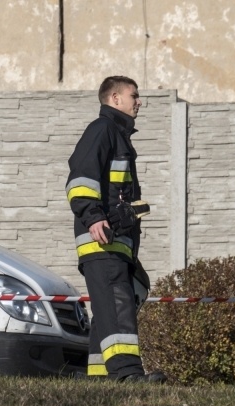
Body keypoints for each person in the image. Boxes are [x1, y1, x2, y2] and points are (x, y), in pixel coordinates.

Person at [65, 76, 166, 383]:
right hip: (102, 239)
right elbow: (80, 178)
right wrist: (93, 217)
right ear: (115, 98)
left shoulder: (118, 135)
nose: (139, 101)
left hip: (117, 242)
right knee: (117, 302)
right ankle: (128, 374)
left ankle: (99, 376)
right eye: (134, 95)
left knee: (116, 300)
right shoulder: (103, 130)